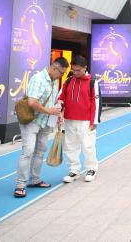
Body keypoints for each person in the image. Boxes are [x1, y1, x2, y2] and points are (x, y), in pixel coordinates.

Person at [13, 57, 69, 198]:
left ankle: (35, 179)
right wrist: (49, 111)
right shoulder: (38, 79)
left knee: (40, 151)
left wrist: (58, 113)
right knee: (28, 151)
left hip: (45, 122)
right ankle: (20, 185)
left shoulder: (54, 81)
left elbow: (53, 101)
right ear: (55, 68)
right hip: (32, 120)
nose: (62, 76)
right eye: (62, 72)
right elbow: (32, 102)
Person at [57, 55, 100, 183]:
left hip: (86, 120)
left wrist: (95, 121)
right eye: (73, 70)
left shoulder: (93, 82)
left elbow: (96, 103)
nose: (75, 73)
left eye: (78, 70)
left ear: (85, 68)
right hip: (69, 119)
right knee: (70, 146)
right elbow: (61, 97)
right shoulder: (69, 80)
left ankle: (91, 168)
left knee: (88, 146)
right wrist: (59, 108)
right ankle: (74, 170)